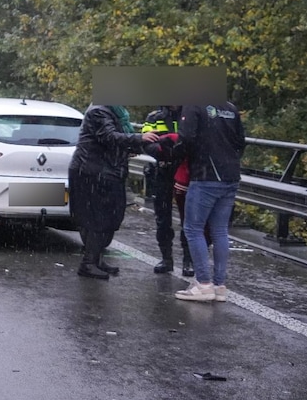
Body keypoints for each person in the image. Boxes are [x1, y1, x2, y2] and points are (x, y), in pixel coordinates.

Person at [69, 104, 160, 279]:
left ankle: (96, 260)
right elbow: (109, 137)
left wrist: (132, 145)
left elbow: (116, 139)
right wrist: (139, 139)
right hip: (93, 171)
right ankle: (88, 263)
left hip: (107, 170)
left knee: (111, 217)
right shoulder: (99, 111)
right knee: (97, 218)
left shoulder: (116, 112)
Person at [174, 100, 245, 302]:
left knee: (193, 228)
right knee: (220, 230)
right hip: (230, 175)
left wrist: (174, 156)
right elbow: (241, 141)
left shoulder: (193, 104)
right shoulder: (230, 107)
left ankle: (203, 284)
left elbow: (186, 138)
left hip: (205, 175)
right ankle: (219, 285)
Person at [141, 106, 193, 276]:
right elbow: (146, 142)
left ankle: (188, 260)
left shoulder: (191, 113)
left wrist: (181, 153)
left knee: (189, 218)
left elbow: (199, 140)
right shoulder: (154, 117)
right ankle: (166, 258)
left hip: (186, 172)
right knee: (163, 217)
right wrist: (163, 151)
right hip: (163, 170)